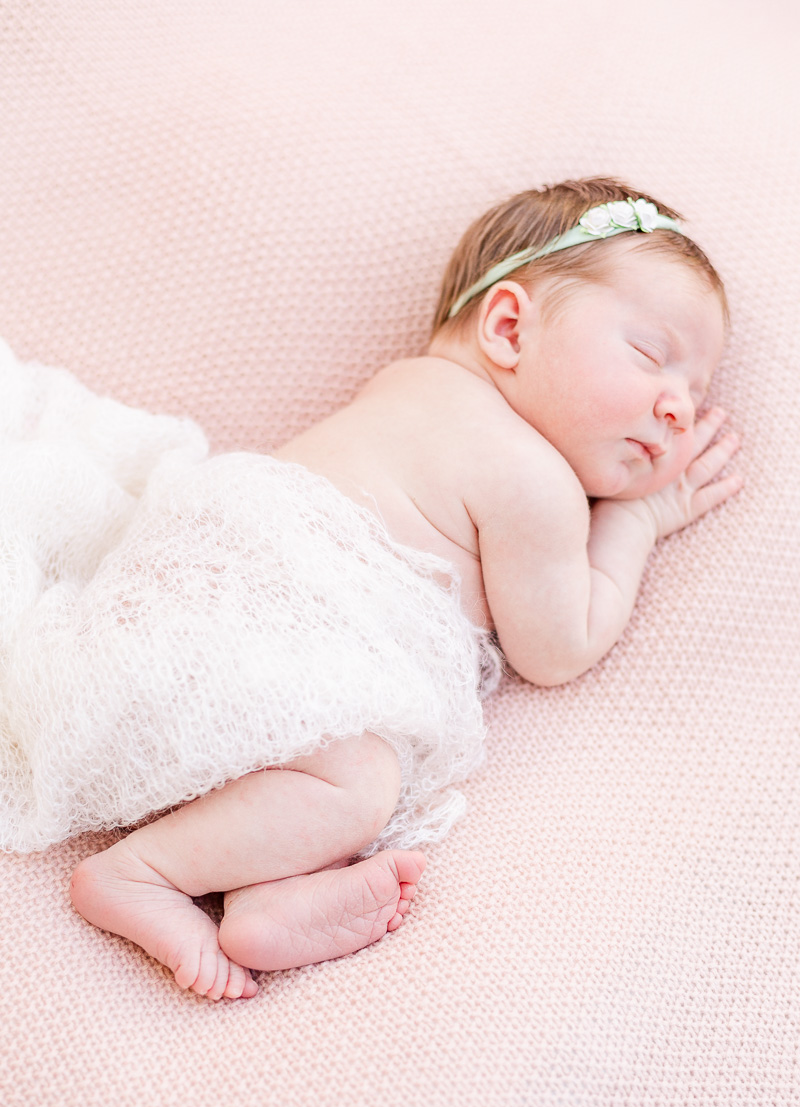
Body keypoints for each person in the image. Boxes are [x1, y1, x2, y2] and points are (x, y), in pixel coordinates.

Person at [15, 177, 743, 1000]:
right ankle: (141, 873)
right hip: (258, 621)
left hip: (163, 621)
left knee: (312, 750)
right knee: (358, 781)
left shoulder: (403, 388)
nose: (680, 409)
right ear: (508, 328)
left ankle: (265, 893)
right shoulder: (531, 482)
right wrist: (639, 522)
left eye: (697, 391)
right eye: (653, 356)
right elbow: (558, 646)